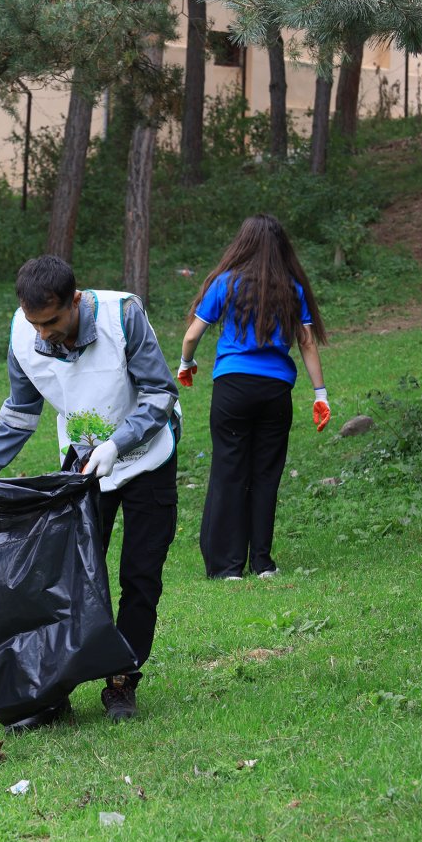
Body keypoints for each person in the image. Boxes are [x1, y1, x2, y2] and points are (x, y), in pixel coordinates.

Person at [0, 255, 179, 726]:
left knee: (140, 576)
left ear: (75, 301)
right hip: (83, 471)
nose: (43, 332)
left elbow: (161, 394)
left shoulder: (122, 315)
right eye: (34, 322)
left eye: (53, 321)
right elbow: (20, 414)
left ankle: (122, 680)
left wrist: (118, 443)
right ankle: (56, 683)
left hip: (147, 460)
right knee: (74, 579)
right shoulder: (24, 334)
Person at [176, 215, 330, 580]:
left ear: (241, 244)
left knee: (229, 471)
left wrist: (186, 364)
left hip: (233, 389)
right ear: (281, 248)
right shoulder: (292, 288)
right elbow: (307, 344)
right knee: (266, 475)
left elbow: (191, 336)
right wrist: (319, 395)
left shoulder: (225, 283)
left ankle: (228, 567)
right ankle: (262, 563)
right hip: (276, 392)